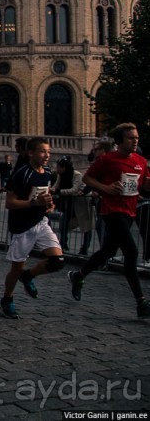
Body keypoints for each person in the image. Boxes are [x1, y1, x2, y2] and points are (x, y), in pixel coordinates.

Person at [69, 123, 150, 318]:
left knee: (108, 251)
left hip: (130, 211)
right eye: (131, 138)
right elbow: (88, 179)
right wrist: (105, 189)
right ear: (119, 141)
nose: (135, 140)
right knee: (131, 251)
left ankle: (78, 275)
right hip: (112, 211)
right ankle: (141, 302)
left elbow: (145, 186)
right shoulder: (107, 159)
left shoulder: (140, 160)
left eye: (136, 137)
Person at [0, 136, 64, 319]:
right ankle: (7, 298)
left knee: (57, 261)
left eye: (48, 152)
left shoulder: (48, 172)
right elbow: (10, 203)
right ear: (31, 153)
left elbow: (45, 195)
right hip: (22, 226)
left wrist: (48, 204)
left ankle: (29, 276)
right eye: (43, 151)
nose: (46, 155)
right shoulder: (21, 174)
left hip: (41, 222)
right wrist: (33, 203)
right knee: (16, 268)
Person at [50, 156, 92, 251]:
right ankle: (63, 244)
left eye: (58, 166)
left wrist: (58, 191)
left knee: (85, 227)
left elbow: (74, 190)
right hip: (69, 204)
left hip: (81, 204)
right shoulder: (60, 175)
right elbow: (56, 186)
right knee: (63, 223)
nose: (57, 168)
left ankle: (85, 248)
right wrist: (51, 190)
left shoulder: (76, 175)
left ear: (63, 167)